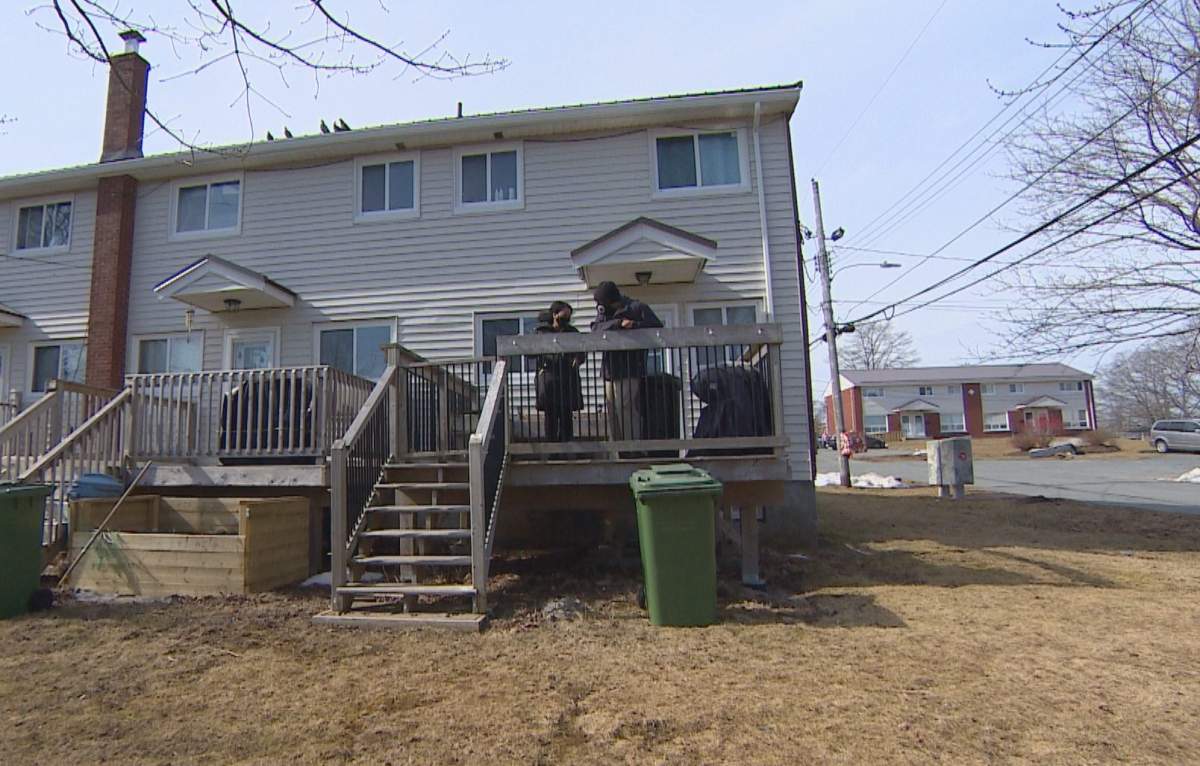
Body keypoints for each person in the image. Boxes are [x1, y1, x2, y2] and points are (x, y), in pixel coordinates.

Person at [589, 281, 662, 449]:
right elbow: (595, 329)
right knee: (612, 411)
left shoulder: (637, 308)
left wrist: (634, 325)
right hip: (610, 369)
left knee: (626, 408)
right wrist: (617, 324)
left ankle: (633, 448)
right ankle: (618, 449)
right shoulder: (604, 312)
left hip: (630, 368)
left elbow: (658, 329)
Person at [534, 301, 584, 443]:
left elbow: (581, 353)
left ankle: (566, 449)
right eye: (564, 315)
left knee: (566, 416)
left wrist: (578, 359)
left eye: (569, 316)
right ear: (555, 315)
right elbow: (531, 353)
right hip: (550, 379)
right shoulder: (542, 332)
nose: (567, 318)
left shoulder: (572, 332)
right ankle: (552, 451)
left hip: (568, 379)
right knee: (550, 417)